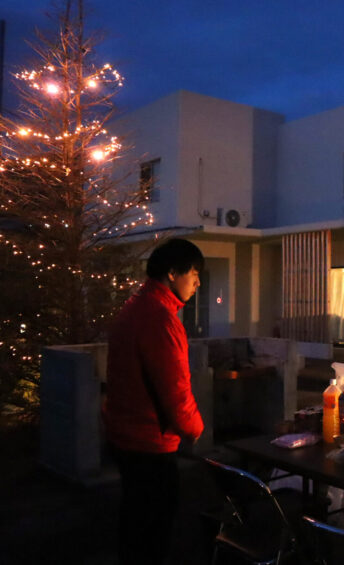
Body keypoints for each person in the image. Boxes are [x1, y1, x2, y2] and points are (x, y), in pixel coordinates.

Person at [103, 238, 206, 564]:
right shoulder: (160, 319)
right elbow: (175, 389)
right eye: (194, 273)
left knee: (134, 522)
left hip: (124, 434)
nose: (198, 282)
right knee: (153, 530)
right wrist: (195, 427)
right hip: (150, 442)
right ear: (173, 273)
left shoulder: (135, 306)